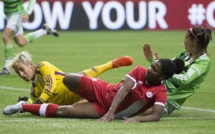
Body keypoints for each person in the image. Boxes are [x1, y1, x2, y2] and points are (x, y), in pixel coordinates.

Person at [3, 57, 184, 123]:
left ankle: (22, 106)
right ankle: (108, 66)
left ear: (162, 77)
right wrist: (112, 112)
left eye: (154, 69)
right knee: (68, 78)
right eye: (151, 65)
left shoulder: (160, 92)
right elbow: (123, 90)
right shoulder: (139, 70)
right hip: (104, 90)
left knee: (64, 111)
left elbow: (157, 115)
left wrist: (136, 119)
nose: (149, 69)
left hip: (101, 109)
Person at [7, 51, 133, 105]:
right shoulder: (34, 92)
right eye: (18, 73)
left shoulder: (43, 66)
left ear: (30, 64)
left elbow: (50, 85)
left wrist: (38, 101)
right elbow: (41, 105)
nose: (22, 75)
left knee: (88, 73)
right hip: (76, 100)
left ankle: (113, 63)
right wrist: (28, 103)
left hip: (74, 83)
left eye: (22, 69)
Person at [143, 26, 212, 114]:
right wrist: (152, 60)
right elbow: (169, 67)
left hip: (170, 99)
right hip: (160, 86)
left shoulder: (203, 62)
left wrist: (165, 71)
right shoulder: (185, 53)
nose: (184, 40)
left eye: (186, 37)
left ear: (194, 41)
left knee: (142, 111)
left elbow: (185, 79)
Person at [1, 0, 59, 75]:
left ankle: (7, 67)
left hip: (17, 13)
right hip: (9, 14)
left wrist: (27, 12)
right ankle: (44, 30)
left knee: (6, 36)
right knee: (21, 42)